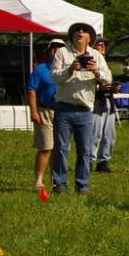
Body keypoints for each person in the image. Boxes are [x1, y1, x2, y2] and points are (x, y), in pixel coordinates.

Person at [49, 23, 112, 194]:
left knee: (84, 149)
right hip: (64, 108)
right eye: (77, 30)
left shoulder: (96, 56)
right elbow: (54, 77)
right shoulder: (63, 53)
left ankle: (82, 185)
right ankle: (60, 184)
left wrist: (96, 71)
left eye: (84, 31)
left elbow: (108, 78)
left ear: (89, 38)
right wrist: (69, 70)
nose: (80, 32)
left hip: (85, 110)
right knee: (61, 148)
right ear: (72, 35)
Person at [27, 39, 65, 189]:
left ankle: (54, 178)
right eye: (53, 48)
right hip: (44, 110)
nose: (56, 50)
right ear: (48, 51)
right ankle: (38, 179)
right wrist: (34, 111)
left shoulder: (67, 69)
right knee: (45, 147)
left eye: (60, 48)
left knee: (58, 148)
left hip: (62, 111)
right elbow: (31, 90)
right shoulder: (40, 69)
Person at [88, 37, 120, 173]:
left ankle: (103, 162)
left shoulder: (105, 64)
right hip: (96, 101)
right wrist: (98, 87)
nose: (102, 47)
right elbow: (84, 83)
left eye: (103, 46)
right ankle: (89, 161)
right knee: (95, 133)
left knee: (109, 134)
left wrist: (114, 87)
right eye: (99, 45)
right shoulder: (89, 64)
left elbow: (109, 79)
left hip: (108, 101)